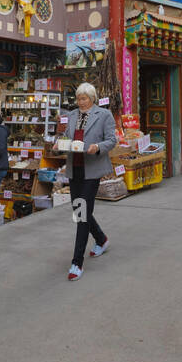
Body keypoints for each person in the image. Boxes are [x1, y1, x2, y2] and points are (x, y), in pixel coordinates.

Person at [58, 82, 117, 280]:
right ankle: (101, 238)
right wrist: (61, 143)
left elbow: (112, 140)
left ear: (92, 98)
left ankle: (77, 263)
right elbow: (67, 136)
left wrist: (97, 147)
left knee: (82, 213)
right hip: (75, 167)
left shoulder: (104, 115)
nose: (80, 102)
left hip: (93, 168)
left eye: (84, 98)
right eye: (78, 99)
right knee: (78, 208)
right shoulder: (73, 115)